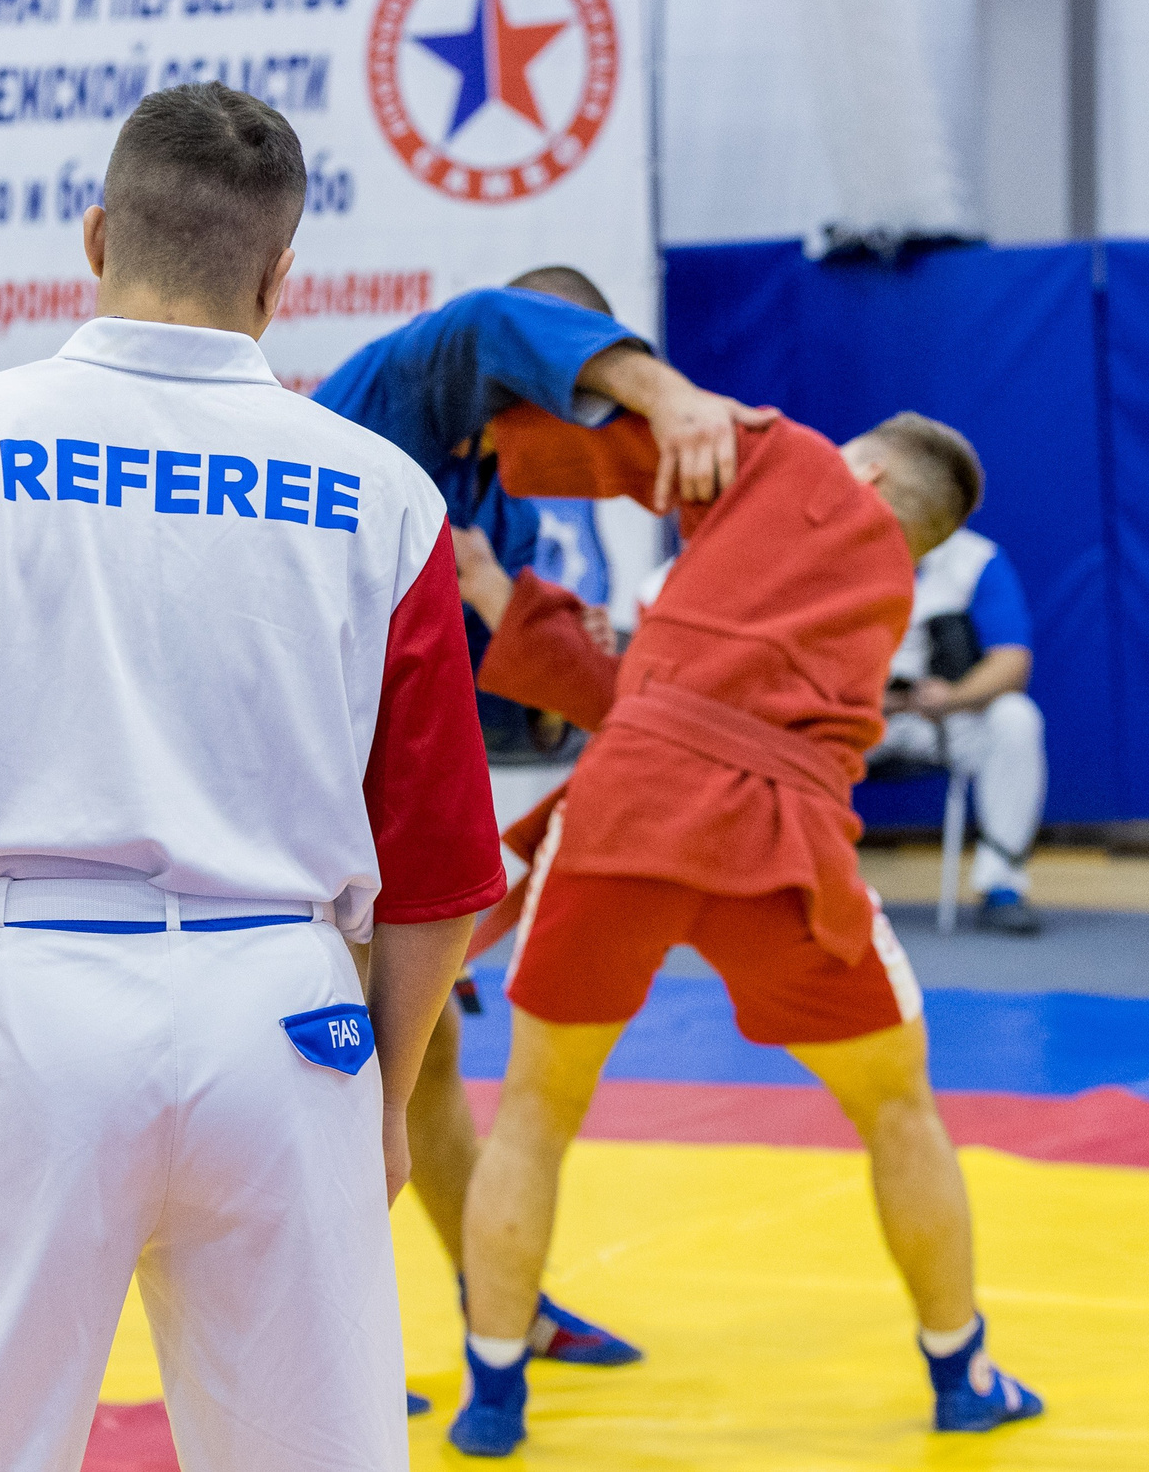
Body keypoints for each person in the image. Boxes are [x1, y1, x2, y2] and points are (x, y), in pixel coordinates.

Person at [0, 83, 505, 1472]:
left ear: (94, 235)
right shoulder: (387, 495)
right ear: (284, 279)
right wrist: (381, 1103)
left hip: (24, 1007)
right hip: (287, 1024)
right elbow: (443, 861)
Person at [444, 403, 1045, 1454]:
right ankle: (963, 1369)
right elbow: (652, 695)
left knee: (535, 1112)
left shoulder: (793, 462)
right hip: (780, 846)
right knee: (899, 1106)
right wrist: (500, 592)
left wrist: (488, 431)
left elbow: (638, 430)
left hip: (629, 812)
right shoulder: (880, 592)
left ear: (859, 465)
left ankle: (491, 1397)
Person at [314, 266, 767, 1390]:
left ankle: (492, 1293)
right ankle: (312, 1343)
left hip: (361, 796)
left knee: (417, 1062)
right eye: (580, 403)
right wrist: (668, 395)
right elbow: (484, 319)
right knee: (322, 1066)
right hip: (281, 789)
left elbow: (493, 693)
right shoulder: (407, 393)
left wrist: (539, 623)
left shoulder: (492, 494)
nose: (581, 441)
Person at [865, 514, 1047, 934]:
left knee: (1015, 718)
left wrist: (952, 697)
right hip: (852, 717)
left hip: (943, 720)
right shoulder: (831, 552)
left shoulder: (976, 559)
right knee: (782, 728)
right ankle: (793, 887)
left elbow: (1011, 662)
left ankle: (1002, 885)